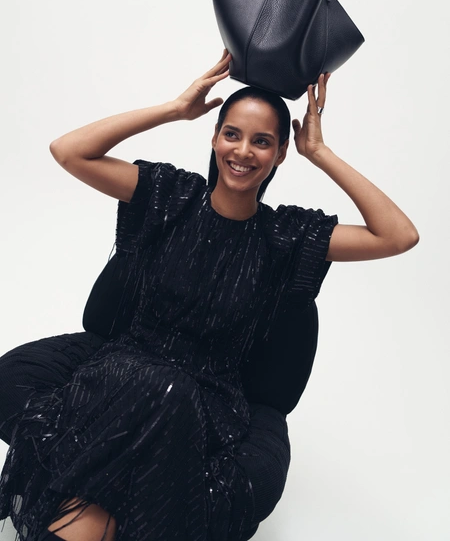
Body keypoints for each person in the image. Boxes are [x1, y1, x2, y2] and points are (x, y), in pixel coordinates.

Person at [0, 49, 419, 541]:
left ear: (280, 153)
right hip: (119, 371)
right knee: (130, 389)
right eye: (232, 134)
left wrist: (320, 151)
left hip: (204, 401)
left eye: (262, 141)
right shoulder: (170, 196)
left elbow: (398, 236)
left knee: (163, 393)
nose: (243, 151)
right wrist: (175, 108)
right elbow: (69, 151)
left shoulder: (287, 237)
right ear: (215, 137)